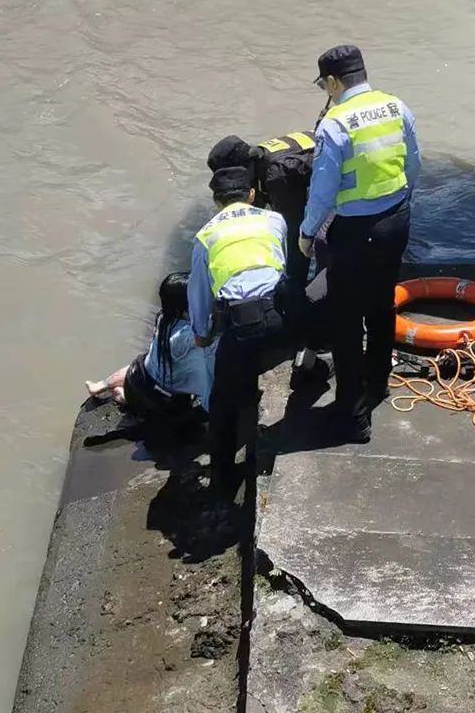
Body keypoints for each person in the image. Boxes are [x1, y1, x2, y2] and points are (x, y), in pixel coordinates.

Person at [300, 44, 420, 442]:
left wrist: (306, 232)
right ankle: (378, 385)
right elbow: (413, 163)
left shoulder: (334, 124)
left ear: (334, 81)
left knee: (347, 321)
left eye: (324, 84)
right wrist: (400, 205)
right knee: (381, 305)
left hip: (355, 230)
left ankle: (352, 418)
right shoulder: (395, 106)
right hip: (396, 221)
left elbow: (322, 190)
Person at [190, 165, 288, 493]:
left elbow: (199, 293)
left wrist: (201, 333)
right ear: (251, 194)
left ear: (216, 201)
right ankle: (312, 365)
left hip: (244, 323)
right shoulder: (275, 220)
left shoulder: (206, 236)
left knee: (222, 403)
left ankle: (222, 482)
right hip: (285, 317)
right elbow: (282, 267)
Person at [87, 272, 215, 420]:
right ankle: (120, 394)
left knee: (144, 361)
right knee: (128, 400)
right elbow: (207, 333)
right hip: (152, 393)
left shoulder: (163, 317)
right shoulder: (184, 336)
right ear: (186, 306)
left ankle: (101, 385)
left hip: (141, 371)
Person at [207, 130, 315, 287]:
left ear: (243, 168)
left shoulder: (277, 174)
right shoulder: (257, 157)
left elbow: (294, 230)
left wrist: (293, 283)